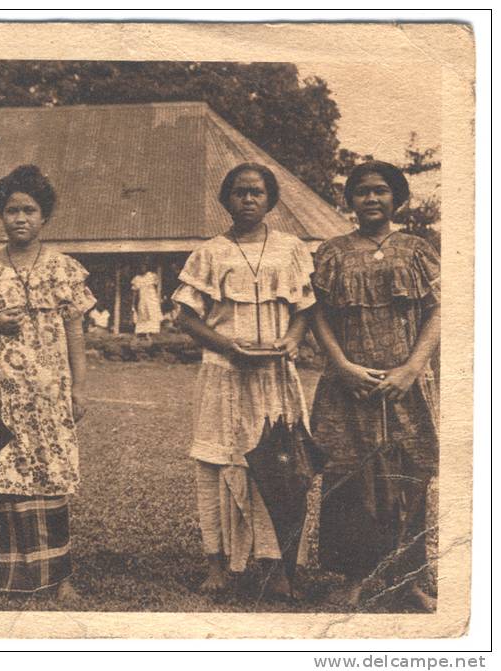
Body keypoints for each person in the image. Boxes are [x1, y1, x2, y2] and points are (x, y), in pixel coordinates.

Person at [173, 162, 315, 598]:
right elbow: (185, 316)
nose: (248, 199)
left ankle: (277, 568)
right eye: (239, 192)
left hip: (274, 376)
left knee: (278, 464)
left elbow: (305, 307)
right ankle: (218, 566)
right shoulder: (210, 252)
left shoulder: (290, 248)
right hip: (225, 374)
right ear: (226, 199)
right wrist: (227, 346)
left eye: (256, 192)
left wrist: (291, 339)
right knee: (216, 464)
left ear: (270, 199)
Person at [0, 165, 95, 602]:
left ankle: (59, 577)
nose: (20, 218)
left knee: (49, 477)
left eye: (29, 210)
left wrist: (80, 388)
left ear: (44, 216)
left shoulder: (65, 270)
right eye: (12, 210)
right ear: (1, 215)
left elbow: (75, 333)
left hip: (50, 393)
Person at [310, 161, 440, 611]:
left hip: (404, 383)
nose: (371, 199)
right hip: (349, 383)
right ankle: (351, 578)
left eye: (381, 191)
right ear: (350, 200)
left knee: (408, 476)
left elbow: (437, 311)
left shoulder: (416, 250)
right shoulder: (332, 252)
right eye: (362, 192)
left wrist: (410, 369)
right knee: (348, 477)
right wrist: (342, 365)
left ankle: (409, 580)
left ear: (396, 198)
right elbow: (316, 314)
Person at [131, 261, 162, 336]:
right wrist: (133, 303)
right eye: (141, 266)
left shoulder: (151, 275)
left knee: (153, 312)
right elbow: (135, 293)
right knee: (143, 314)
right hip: (143, 298)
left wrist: (159, 298)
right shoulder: (137, 278)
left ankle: (153, 332)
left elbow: (158, 288)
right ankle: (144, 332)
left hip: (152, 298)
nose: (142, 268)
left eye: (144, 266)